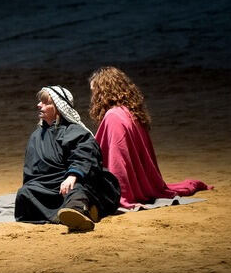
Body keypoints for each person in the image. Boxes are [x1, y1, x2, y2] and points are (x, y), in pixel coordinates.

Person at [89, 67, 211, 210]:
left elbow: (117, 160)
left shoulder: (113, 116)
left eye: (94, 92)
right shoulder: (131, 113)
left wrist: (119, 194)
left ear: (102, 92)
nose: (93, 97)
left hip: (125, 189)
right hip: (142, 185)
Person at [15, 86, 120, 231]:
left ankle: (78, 211)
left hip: (72, 180)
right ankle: (79, 211)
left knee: (75, 189)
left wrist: (73, 175)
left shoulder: (76, 132)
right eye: (40, 101)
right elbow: (31, 169)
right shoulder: (36, 136)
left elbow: (85, 155)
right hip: (47, 186)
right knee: (25, 193)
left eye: (46, 102)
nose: (39, 105)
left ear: (58, 107)